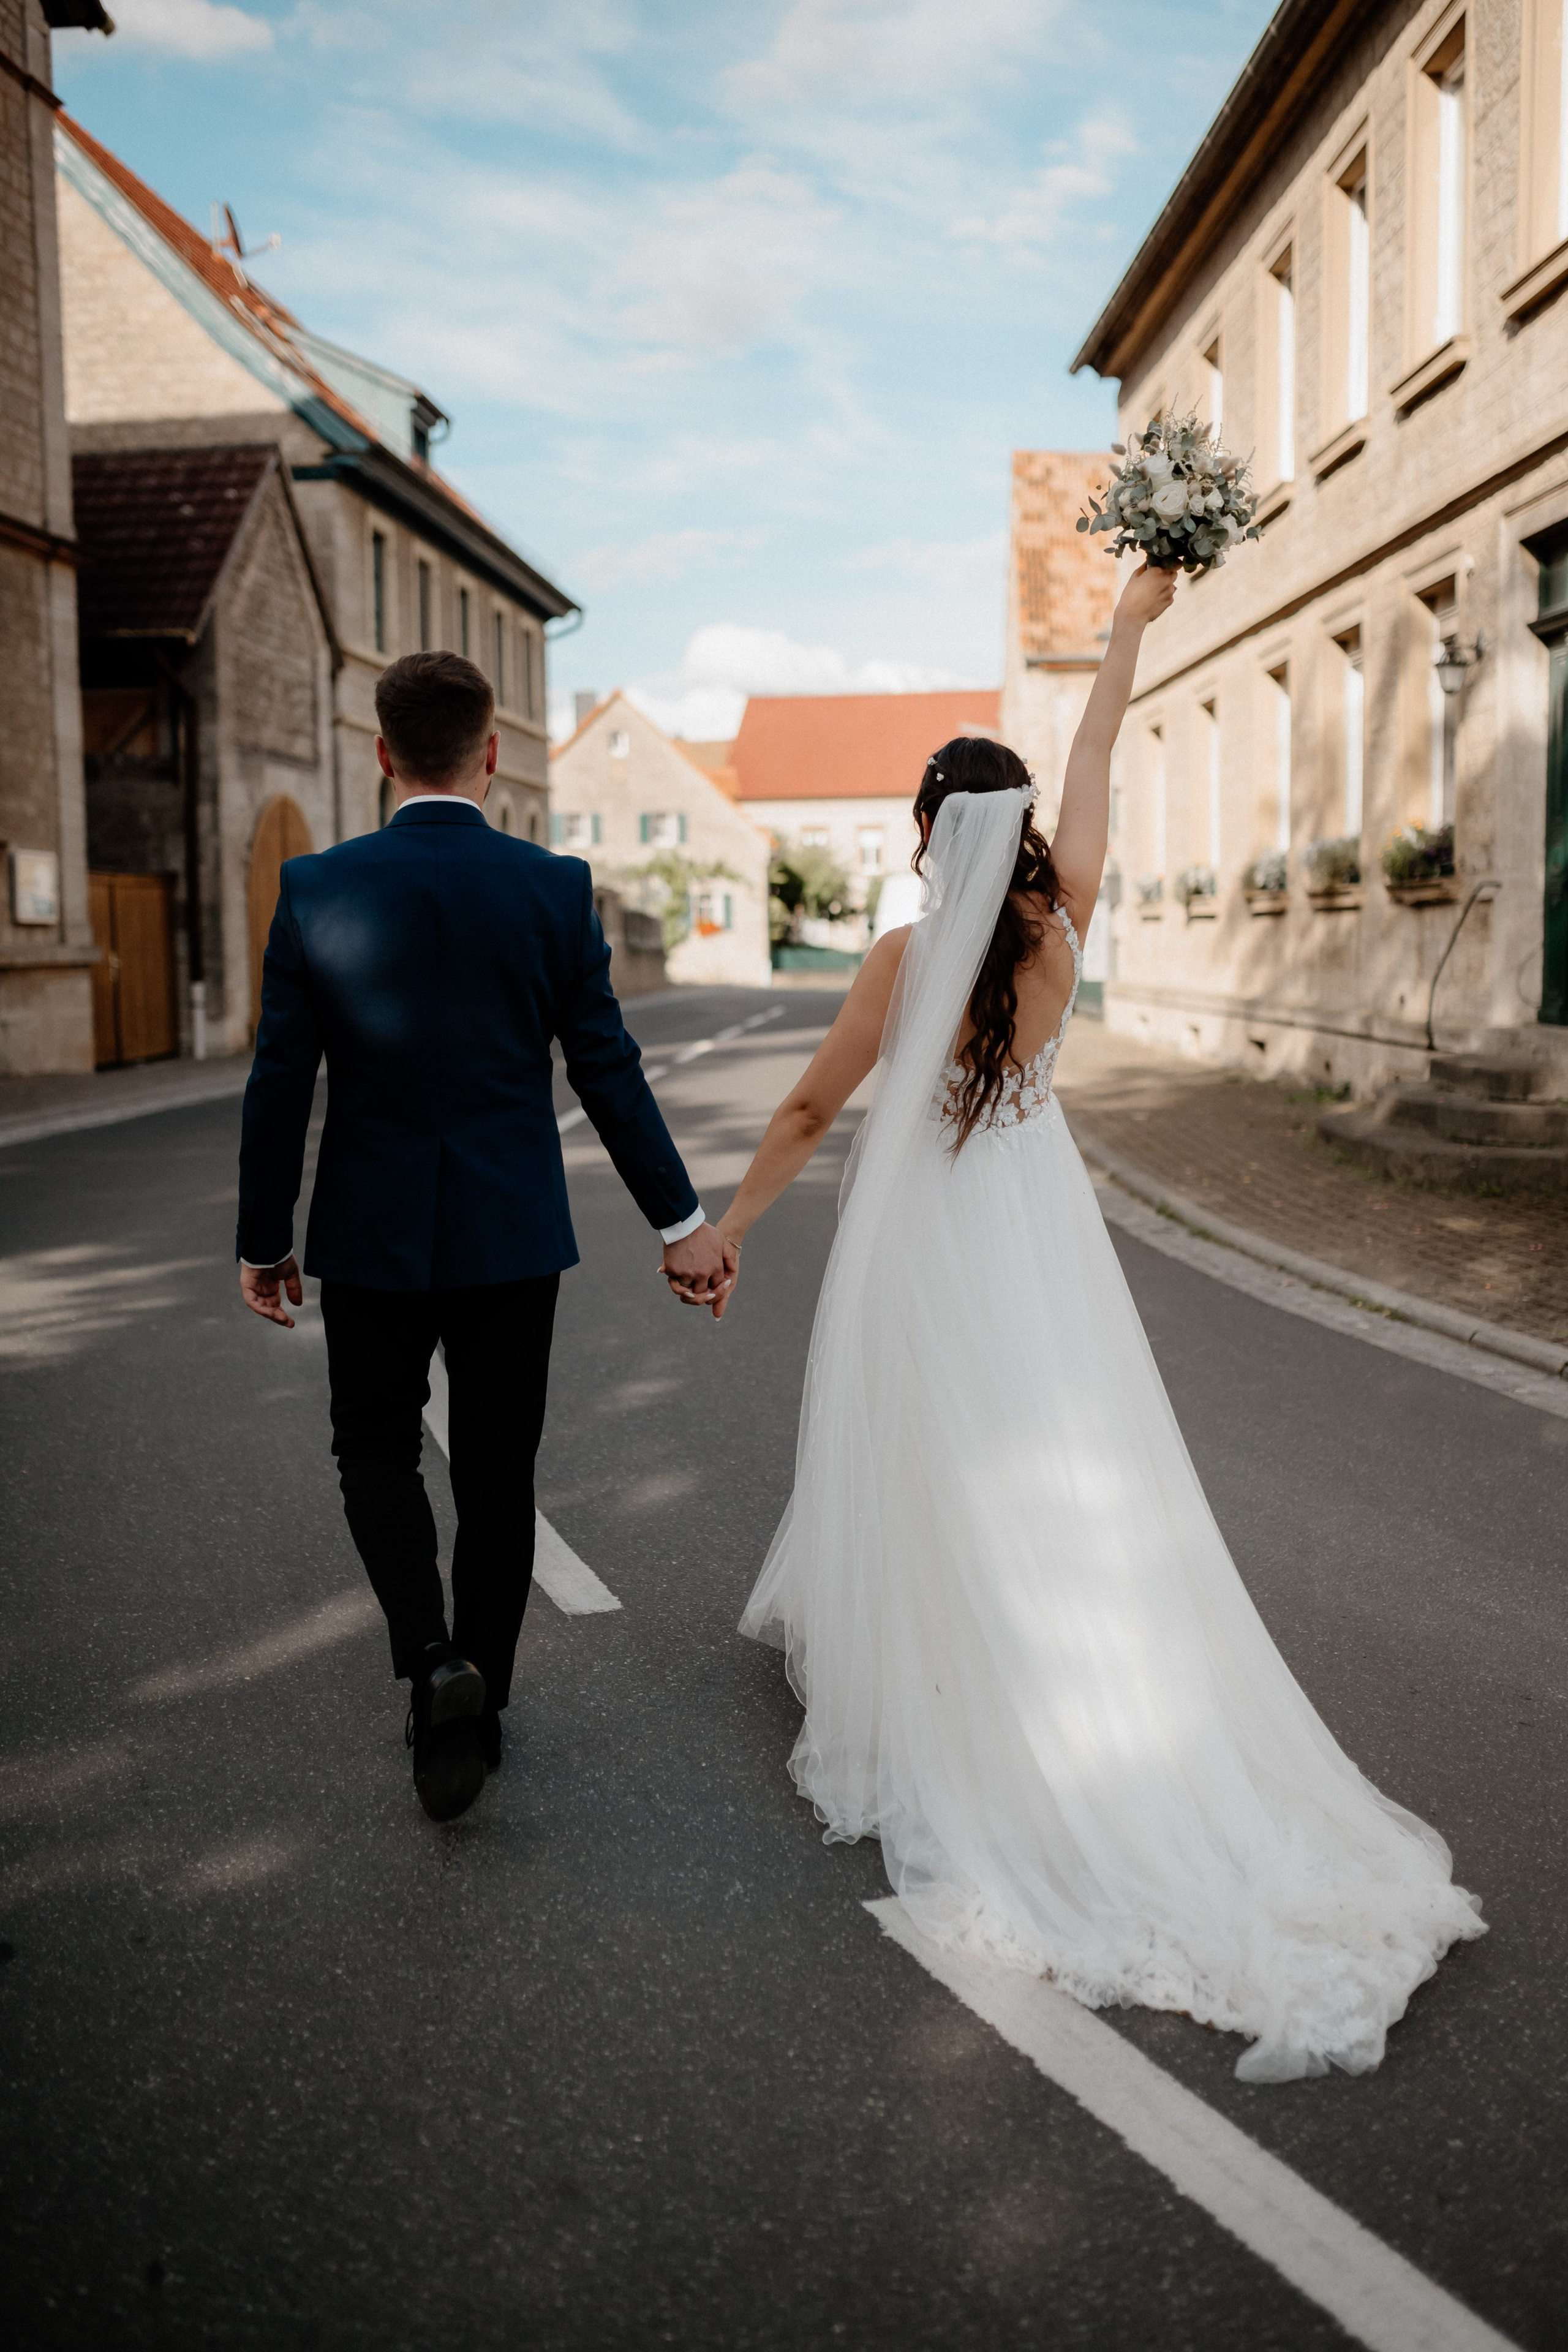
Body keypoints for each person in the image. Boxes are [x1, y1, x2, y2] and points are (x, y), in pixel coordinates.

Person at [712, 564, 1485, 2081]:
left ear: (925, 834)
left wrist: (727, 1231)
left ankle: (980, 1713)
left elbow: (812, 1106)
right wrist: (1130, 621)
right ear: (1018, 838)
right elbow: (1095, 747)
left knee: (938, 1458)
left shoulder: (900, 958)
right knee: (1066, 1463)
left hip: (928, 1246)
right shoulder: (1059, 928)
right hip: (1036, 1233)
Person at [236, 650, 730, 1823]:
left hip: (368, 1237)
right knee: (500, 1474)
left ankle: (431, 1664)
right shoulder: (552, 888)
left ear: (380, 753)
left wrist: (266, 1242)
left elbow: (277, 1084)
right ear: (494, 753)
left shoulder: (314, 888)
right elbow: (606, 1069)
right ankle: (484, 1701)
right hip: (511, 1237)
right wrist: (683, 1222)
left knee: (375, 1453)